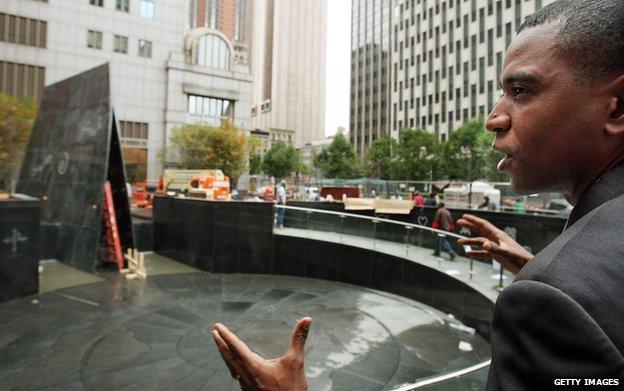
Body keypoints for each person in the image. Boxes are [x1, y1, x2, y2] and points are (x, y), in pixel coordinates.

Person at [212, 1, 624, 388]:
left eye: (520, 91)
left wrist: (550, 283)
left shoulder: (553, 300)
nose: (494, 118)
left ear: (617, 108)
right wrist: (535, 267)